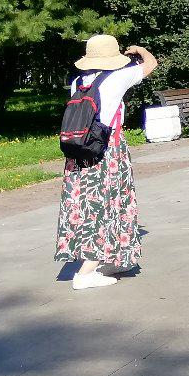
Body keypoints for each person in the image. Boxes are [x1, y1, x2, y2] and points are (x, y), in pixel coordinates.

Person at [55, 34, 157, 290]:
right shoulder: (118, 77)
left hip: (78, 152)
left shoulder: (78, 82)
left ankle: (108, 257)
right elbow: (151, 64)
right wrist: (139, 49)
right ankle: (87, 271)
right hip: (107, 151)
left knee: (82, 205)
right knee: (104, 204)